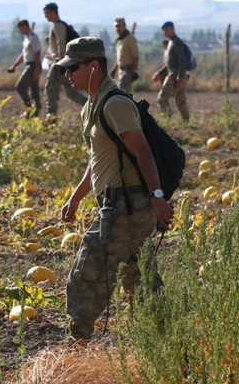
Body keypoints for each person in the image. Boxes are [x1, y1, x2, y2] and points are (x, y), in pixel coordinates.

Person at [58, 37, 174, 340]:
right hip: (120, 204)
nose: (68, 74)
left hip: (127, 207)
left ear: (94, 67)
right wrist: (76, 197)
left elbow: (143, 152)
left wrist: (157, 197)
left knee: (86, 275)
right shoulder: (91, 107)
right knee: (140, 279)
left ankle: (77, 346)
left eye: (73, 68)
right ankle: (169, 346)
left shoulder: (115, 104)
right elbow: (98, 159)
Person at [43, 2, 88, 116]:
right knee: (71, 92)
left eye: (47, 13)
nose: (45, 16)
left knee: (50, 89)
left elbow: (61, 45)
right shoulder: (60, 25)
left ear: (54, 12)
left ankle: (51, 117)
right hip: (66, 62)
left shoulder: (57, 25)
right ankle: (92, 107)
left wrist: (61, 65)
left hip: (60, 63)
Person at [152, 21, 190, 121]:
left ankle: (167, 119)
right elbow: (169, 63)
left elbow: (181, 59)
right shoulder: (171, 43)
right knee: (180, 99)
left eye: (166, 30)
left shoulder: (177, 42)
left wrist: (180, 76)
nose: (164, 33)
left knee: (162, 98)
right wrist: (159, 73)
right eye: (163, 31)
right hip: (175, 73)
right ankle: (186, 121)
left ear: (172, 29)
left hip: (175, 74)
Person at [7, 19, 42, 117]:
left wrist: (36, 68)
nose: (20, 31)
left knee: (20, 86)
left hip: (33, 65)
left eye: (20, 28)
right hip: (30, 65)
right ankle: (35, 112)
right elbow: (24, 54)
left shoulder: (33, 37)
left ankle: (29, 109)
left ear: (25, 26)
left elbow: (37, 52)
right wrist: (14, 66)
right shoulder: (27, 38)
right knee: (34, 90)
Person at [110, 17, 139, 92]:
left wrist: (135, 70)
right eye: (116, 26)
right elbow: (119, 57)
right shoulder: (120, 40)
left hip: (128, 70)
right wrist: (114, 69)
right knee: (124, 94)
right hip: (121, 70)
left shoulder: (130, 38)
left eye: (119, 26)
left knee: (121, 92)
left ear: (124, 26)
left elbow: (135, 56)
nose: (117, 28)